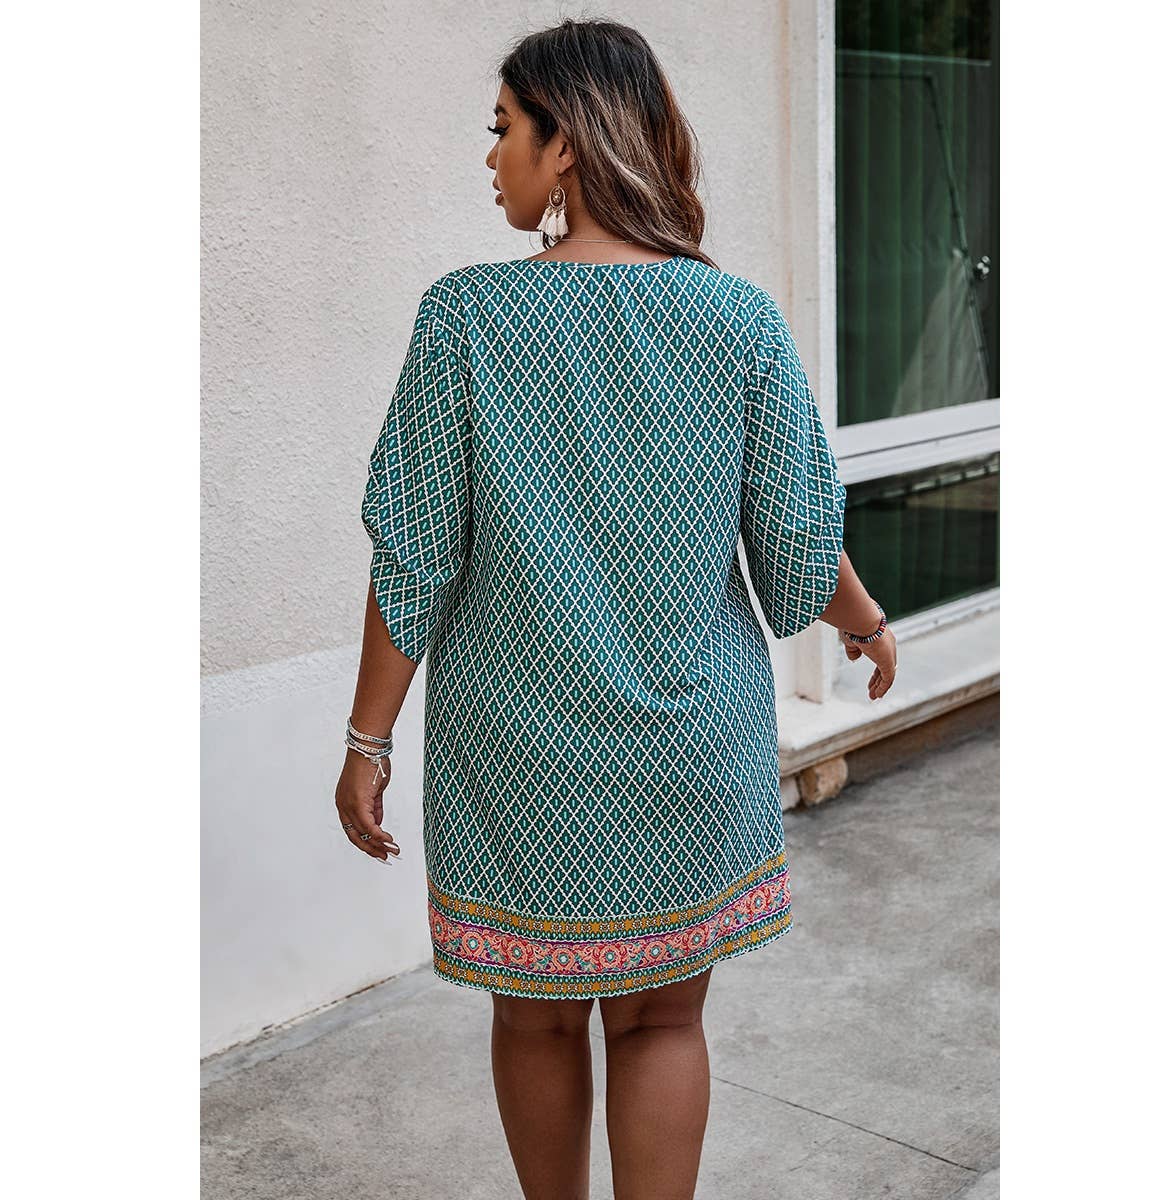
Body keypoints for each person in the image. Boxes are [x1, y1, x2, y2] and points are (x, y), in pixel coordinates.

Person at [334, 17, 897, 1200]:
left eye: (505, 128)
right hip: (689, 745)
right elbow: (799, 544)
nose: (491, 155)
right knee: (662, 1023)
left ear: (568, 146)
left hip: (519, 753)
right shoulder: (736, 318)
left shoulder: (465, 317)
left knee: (535, 1018)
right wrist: (862, 619)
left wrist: (366, 740)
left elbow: (414, 554)